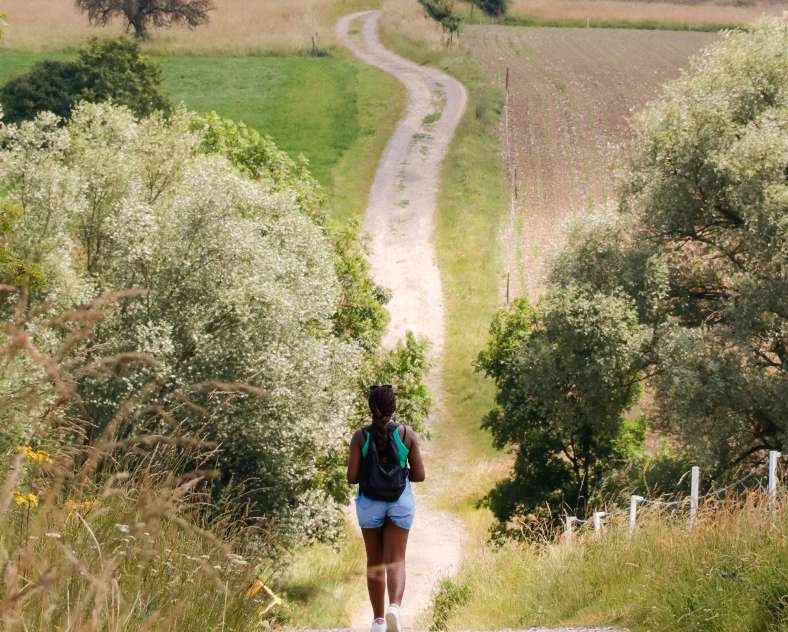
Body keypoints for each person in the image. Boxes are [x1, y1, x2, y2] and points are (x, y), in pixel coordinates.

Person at [347, 384, 425, 632]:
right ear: (394, 407)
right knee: (396, 559)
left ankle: (378, 621)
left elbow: (352, 477)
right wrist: (400, 471)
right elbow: (420, 475)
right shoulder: (406, 434)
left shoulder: (361, 437)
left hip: (369, 503)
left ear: (371, 407)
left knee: (375, 560)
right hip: (400, 501)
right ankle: (394, 608)